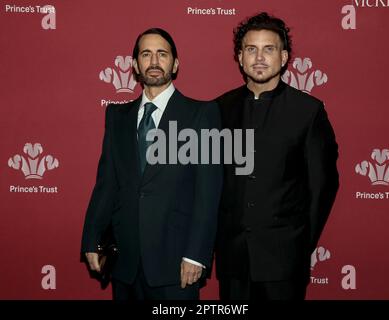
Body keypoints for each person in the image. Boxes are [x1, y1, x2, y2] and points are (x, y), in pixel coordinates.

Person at [81, 28, 222, 300]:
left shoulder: (202, 114)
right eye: (146, 54)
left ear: (175, 64)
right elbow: (107, 184)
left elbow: (208, 194)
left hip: (177, 264)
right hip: (125, 263)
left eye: (162, 54)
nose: (154, 62)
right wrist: (91, 237)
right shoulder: (116, 116)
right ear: (134, 65)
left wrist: (196, 254)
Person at [215, 12, 339, 300]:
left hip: (284, 260)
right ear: (240, 57)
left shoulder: (308, 111)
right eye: (251, 49)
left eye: (268, 49)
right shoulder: (219, 109)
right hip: (233, 259)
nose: (259, 57)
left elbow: (323, 187)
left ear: (283, 57)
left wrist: (298, 244)